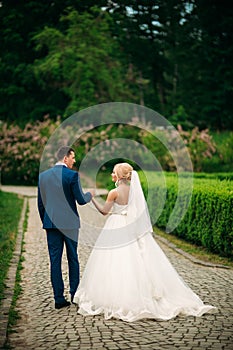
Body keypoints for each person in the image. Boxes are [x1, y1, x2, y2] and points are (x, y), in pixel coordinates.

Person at [73, 162, 216, 322]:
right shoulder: (134, 191)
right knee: (138, 260)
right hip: (131, 227)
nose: (112, 175)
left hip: (117, 225)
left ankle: (119, 296)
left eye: (114, 172)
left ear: (120, 176)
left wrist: (92, 198)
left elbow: (104, 211)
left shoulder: (113, 192)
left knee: (116, 261)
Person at [38, 146, 93, 309]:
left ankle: (58, 298)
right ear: (65, 158)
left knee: (54, 260)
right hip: (70, 224)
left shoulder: (43, 176)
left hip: (51, 224)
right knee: (72, 258)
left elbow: (41, 204)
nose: (74, 161)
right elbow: (81, 200)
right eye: (73, 157)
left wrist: (47, 221)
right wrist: (90, 194)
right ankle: (75, 294)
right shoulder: (72, 175)